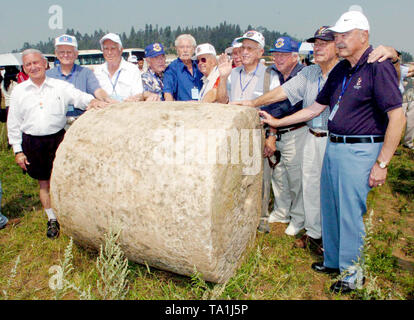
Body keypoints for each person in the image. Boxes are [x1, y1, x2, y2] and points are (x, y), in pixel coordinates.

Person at [260, 10, 405, 293]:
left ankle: (353, 274)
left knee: (350, 211)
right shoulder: (342, 69)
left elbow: (397, 117)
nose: (339, 41)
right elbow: (315, 108)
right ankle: (333, 260)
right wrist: (277, 122)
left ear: (364, 36)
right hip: (334, 144)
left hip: (361, 149)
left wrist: (383, 163)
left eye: (345, 35)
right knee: (331, 206)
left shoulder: (378, 65)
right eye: (336, 36)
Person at [7, 49, 106, 239]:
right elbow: (13, 123)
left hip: (59, 139)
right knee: (44, 183)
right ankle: (52, 219)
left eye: (36, 62)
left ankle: (73, 217)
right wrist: (18, 151)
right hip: (33, 142)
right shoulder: (19, 91)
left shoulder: (59, 86)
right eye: (28, 64)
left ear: (45, 64)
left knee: (66, 179)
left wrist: (93, 101)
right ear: (24, 68)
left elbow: (79, 96)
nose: (33, 67)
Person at [47, 34, 116, 124]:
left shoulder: (86, 73)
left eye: (69, 52)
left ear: (76, 54)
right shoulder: (47, 76)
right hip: (56, 124)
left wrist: (106, 99)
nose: (65, 55)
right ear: (56, 54)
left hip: (82, 122)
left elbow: (97, 90)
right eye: (61, 52)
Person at [94, 33, 144, 102]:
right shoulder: (97, 72)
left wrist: (135, 99)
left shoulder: (133, 70)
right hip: (105, 111)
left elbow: (139, 94)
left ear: (121, 50)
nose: (109, 52)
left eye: (113, 48)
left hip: (127, 109)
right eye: (106, 49)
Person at [163, 34, 203, 101]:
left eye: (188, 47)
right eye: (181, 47)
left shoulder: (200, 65)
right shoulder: (171, 69)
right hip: (183, 109)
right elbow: (168, 94)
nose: (185, 50)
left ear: (194, 49)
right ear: (176, 49)